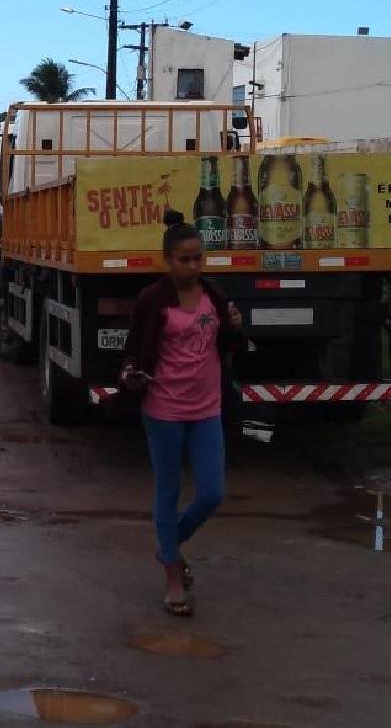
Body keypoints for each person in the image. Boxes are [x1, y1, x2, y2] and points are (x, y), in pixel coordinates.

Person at [119, 209, 243, 617]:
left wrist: (236, 327)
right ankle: (174, 576)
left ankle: (168, 545)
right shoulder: (151, 300)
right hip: (164, 410)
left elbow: (229, 346)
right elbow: (135, 350)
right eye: (184, 259)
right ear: (167, 261)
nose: (192, 265)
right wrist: (131, 376)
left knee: (211, 493)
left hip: (207, 408)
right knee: (168, 491)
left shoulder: (215, 298)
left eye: (197, 258)